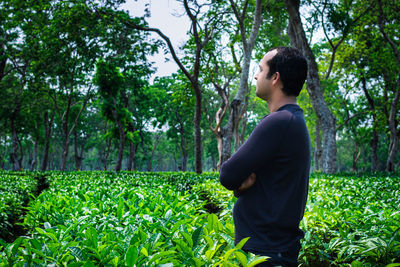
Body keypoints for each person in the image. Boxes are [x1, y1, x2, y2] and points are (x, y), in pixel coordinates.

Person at [219, 46, 310, 267]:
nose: (256, 75)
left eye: (260, 69)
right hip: (272, 250)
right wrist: (242, 187)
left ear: (275, 78)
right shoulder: (291, 120)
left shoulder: (279, 121)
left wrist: (239, 184)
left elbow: (227, 174)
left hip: (267, 254)